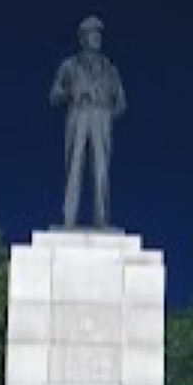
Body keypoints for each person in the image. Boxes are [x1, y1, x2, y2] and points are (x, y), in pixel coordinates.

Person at [50, 15, 127, 228]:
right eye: (92, 34)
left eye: (98, 34)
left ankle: (102, 219)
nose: (96, 38)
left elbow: (121, 103)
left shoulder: (110, 69)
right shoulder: (70, 65)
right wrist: (72, 92)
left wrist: (107, 112)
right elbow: (54, 95)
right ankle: (69, 219)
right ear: (82, 38)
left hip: (101, 117)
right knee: (74, 166)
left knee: (101, 169)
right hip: (78, 114)